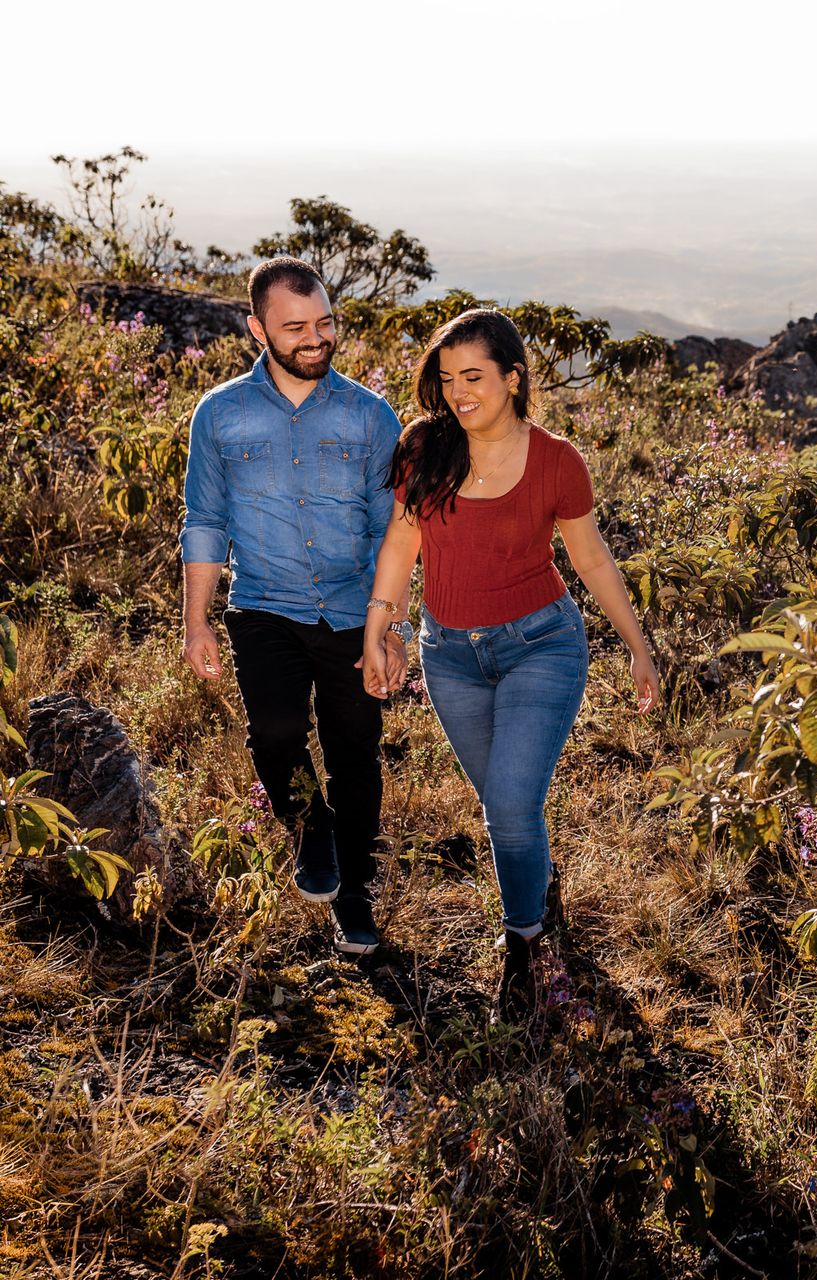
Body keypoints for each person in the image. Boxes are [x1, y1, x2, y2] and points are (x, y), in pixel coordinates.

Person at [359, 307, 659, 1022]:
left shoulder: (558, 459)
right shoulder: (425, 447)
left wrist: (639, 646)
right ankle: (539, 889)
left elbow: (589, 557)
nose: (459, 392)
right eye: (447, 377)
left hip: (540, 645)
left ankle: (525, 952)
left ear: (513, 377)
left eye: (474, 377)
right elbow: (402, 545)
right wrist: (381, 629)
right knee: (507, 810)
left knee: (510, 805)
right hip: (451, 655)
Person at [181, 256, 405, 956]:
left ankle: (356, 896)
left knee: (356, 752)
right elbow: (206, 519)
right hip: (264, 606)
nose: (316, 339)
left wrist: (388, 628)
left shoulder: (371, 415)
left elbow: (390, 531)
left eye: (326, 323)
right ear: (257, 328)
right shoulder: (220, 414)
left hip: (352, 611)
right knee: (276, 733)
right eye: (296, 327)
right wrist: (196, 620)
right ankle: (310, 826)